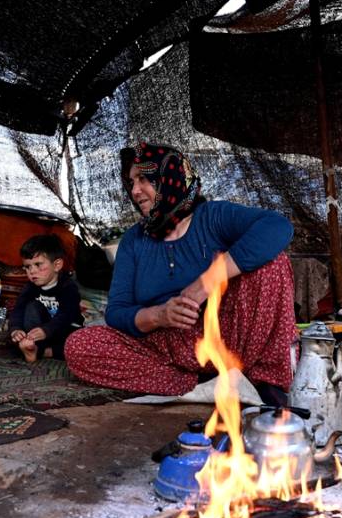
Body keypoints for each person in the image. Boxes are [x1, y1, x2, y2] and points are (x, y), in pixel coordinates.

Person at [64, 142, 296, 405]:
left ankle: (265, 380)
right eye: (131, 183)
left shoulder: (212, 216)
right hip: (166, 347)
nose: (135, 190)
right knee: (79, 346)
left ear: (169, 179)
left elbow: (277, 227)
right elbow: (117, 312)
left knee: (271, 262)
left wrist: (205, 284)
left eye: (144, 180)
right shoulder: (134, 241)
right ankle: (193, 383)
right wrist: (160, 315)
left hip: (227, 336)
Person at [8, 234, 83, 363]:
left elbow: (66, 315)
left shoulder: (68, 287)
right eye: (28, 266)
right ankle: (32, 347)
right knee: (30, 309)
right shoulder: (29, 288)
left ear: (57, 265)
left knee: (81, 345)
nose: (32, 271)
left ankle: (44, 351)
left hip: (64, 329)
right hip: (37, 335)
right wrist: (16, 330)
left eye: (38, 265)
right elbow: (18, 311)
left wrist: (47, 330)